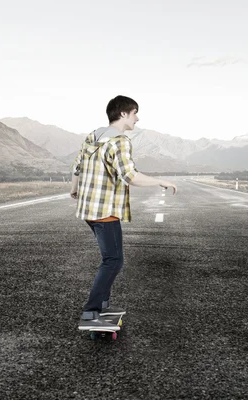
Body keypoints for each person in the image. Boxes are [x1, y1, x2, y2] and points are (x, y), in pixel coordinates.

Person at [70, 95, 177, 331]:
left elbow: (78, 166)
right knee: (113, 260)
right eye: (134, 113)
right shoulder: (119, 141)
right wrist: (161, 181)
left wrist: (74, 189)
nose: (137, 118)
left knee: (110, 258)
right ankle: (91, 312)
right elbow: (129, 176)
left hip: (88, 209)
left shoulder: (92, 137)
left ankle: (103, 304)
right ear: (123, 114)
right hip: (105, 209)